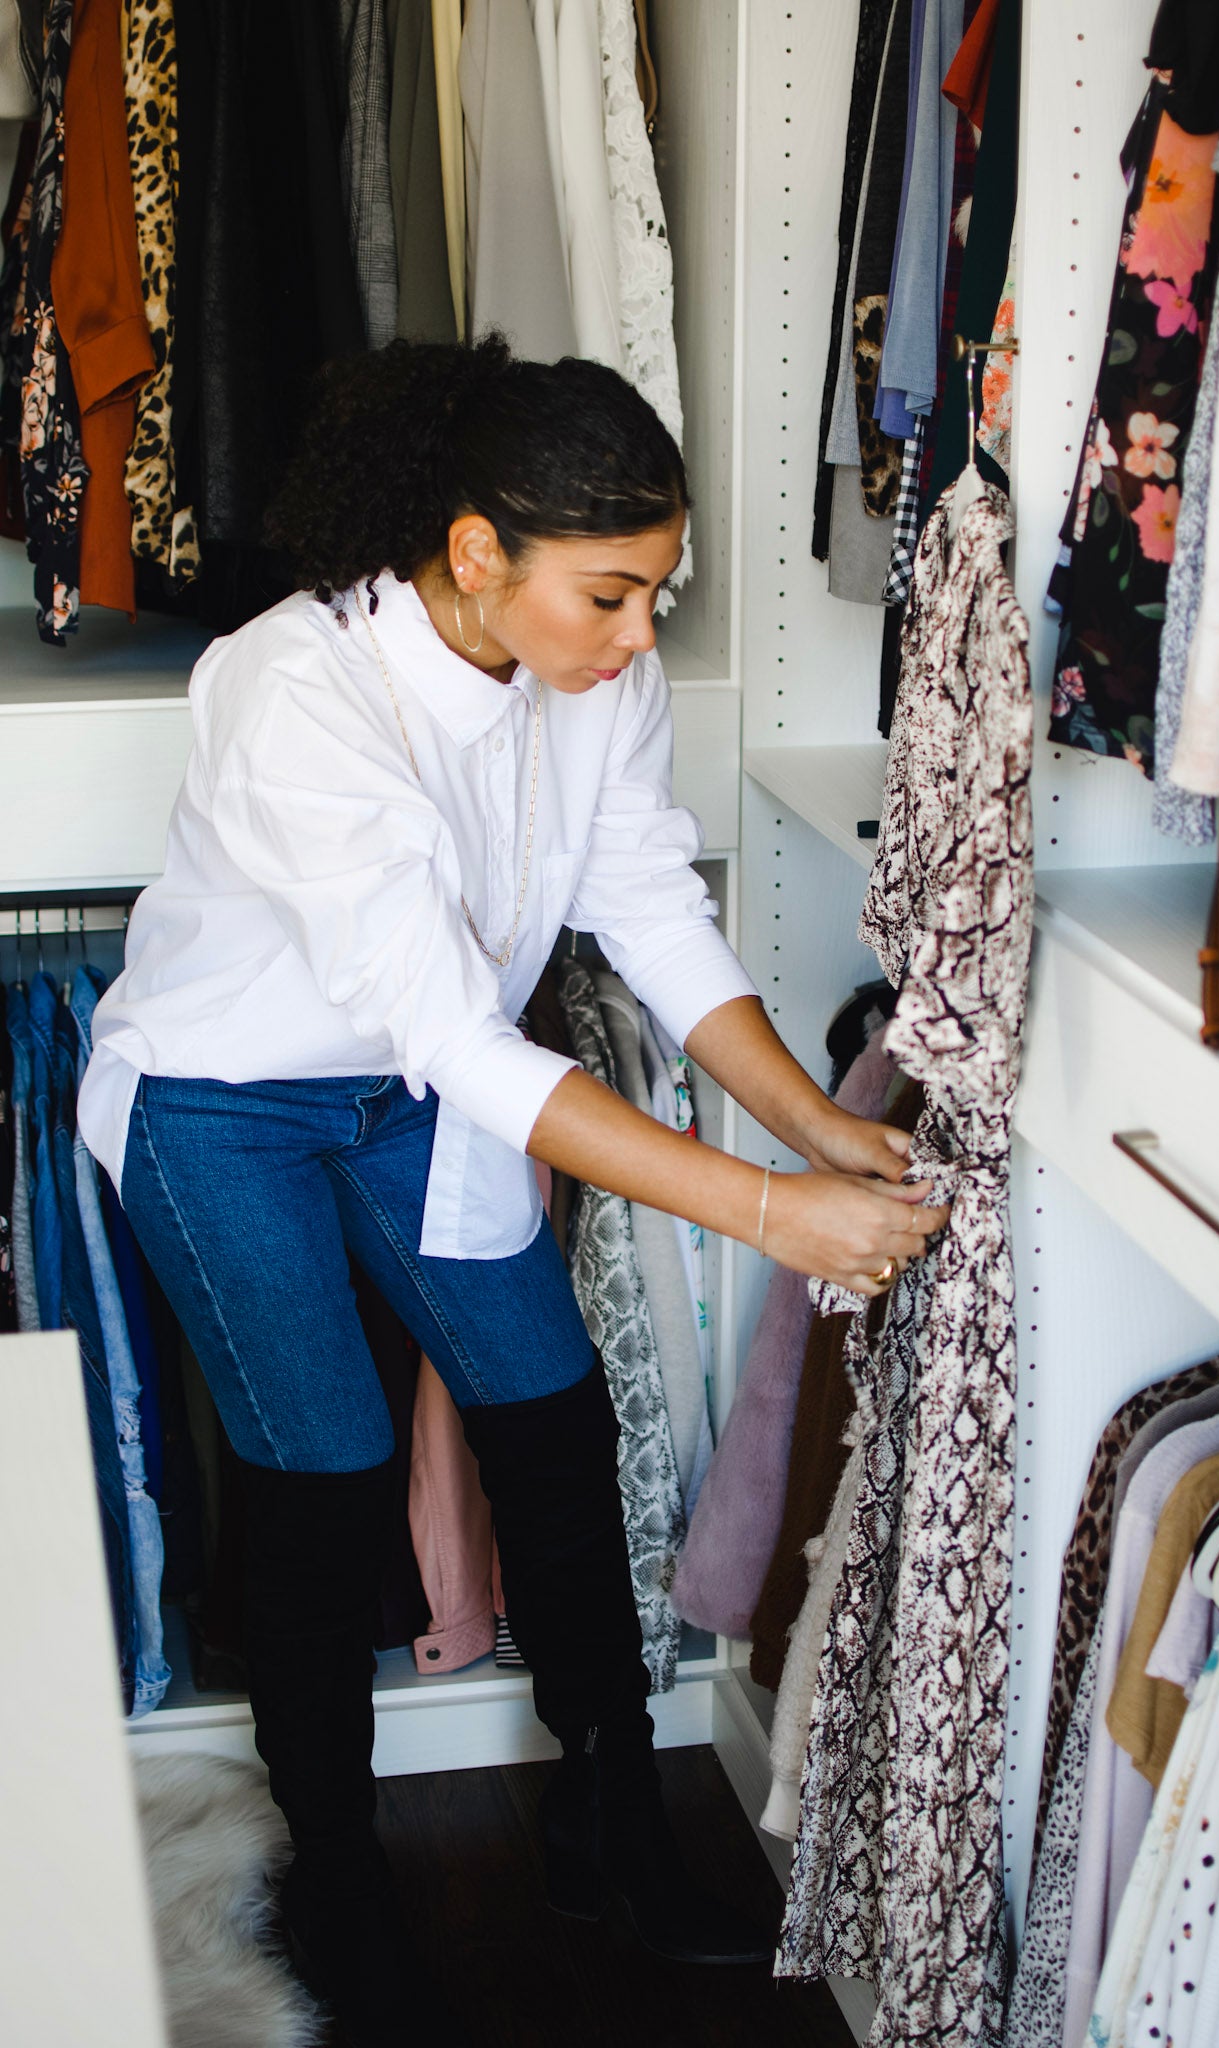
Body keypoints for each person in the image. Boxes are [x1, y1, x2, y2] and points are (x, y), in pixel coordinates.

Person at [77, 335, 947, 2046]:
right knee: (324, 1492)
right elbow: (457, 1031)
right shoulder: (294, 685)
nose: (643, 643)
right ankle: (336, 1870)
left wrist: (811, 1129)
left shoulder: (589, 683)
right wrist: (767, 1212)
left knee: (554, 1429)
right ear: (476, 551)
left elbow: (651, 910)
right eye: (613, 596)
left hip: (424, 1089)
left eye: (657, 597)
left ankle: (606, 1817)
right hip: (225, 1100)